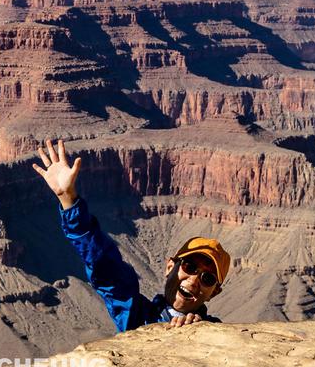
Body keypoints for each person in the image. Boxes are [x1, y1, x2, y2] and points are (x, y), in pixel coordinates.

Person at [33, 139, 230, 331]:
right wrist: (67, 199)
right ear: (170, 266)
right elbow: (105, 268)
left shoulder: (219, 333)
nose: (194, 280)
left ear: (215, 292)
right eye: (190, 266)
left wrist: (204, 329)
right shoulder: (138, 316)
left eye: (208, 278)